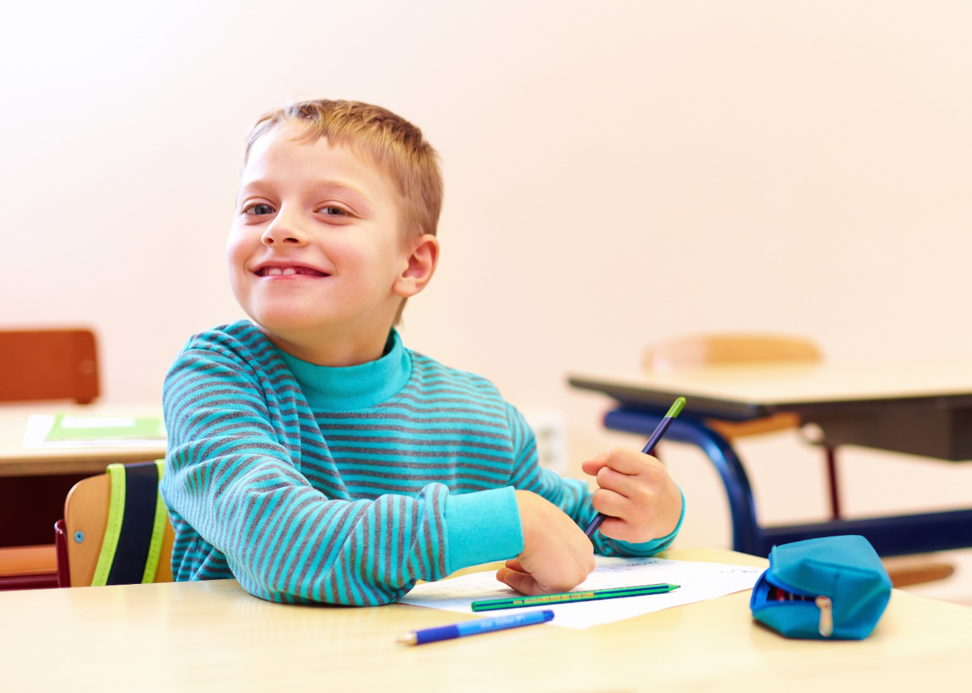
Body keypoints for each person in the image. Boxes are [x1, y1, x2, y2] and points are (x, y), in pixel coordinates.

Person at [161, 99, 685, 605]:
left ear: (412, 265)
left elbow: (568, 529)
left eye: (332, 210)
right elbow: (278, 544)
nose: (279, 229)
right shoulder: (214, 377)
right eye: (258, 207)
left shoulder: (477, 414)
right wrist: (503, 523)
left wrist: (647, 516)